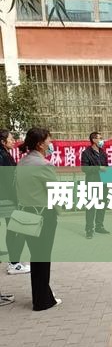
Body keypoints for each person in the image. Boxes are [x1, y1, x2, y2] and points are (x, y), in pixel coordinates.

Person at [16, 127, 61, 311]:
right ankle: (42, 301)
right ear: (40, 144)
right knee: (43, 257)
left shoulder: (22, 162)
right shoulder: (44, 165)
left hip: (25, 214)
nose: (51, 144)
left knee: (36, 257)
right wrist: (58, 211)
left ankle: (42, 295)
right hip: (43, 215)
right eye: (49, 140)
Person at [0, 130, 29, 279]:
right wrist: (17, 198)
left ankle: (14, 262)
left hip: (6, 198)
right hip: (7, 199)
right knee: (15, 230)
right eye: (11, 139)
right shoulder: (3, 156)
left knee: (12, 229)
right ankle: (14, 263)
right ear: (3, 142)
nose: (13, 141)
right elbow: (9, 180)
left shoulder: (4, 154)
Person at [81, 132, 110, 239]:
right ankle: (89, 229)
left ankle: (99, 226)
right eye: (100, 138)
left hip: (103, 182)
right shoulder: (86, 153)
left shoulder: (103, 152)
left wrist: (111, 177)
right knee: (91, 206)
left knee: (102, 204)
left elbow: (106, 167)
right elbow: (84, 168)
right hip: (92, 182)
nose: (102, 140)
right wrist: (98, 168)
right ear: (94, 140)